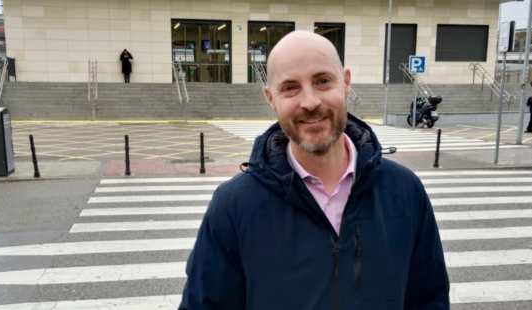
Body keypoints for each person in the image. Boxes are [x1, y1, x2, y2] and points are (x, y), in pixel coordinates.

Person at [179, 30, 450, 310]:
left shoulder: (405, 191)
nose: (310, 102)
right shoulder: (233, 206)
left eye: (322, 81)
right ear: (271, 98)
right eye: (290, 88)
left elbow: (429, 300)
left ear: (345, 83)